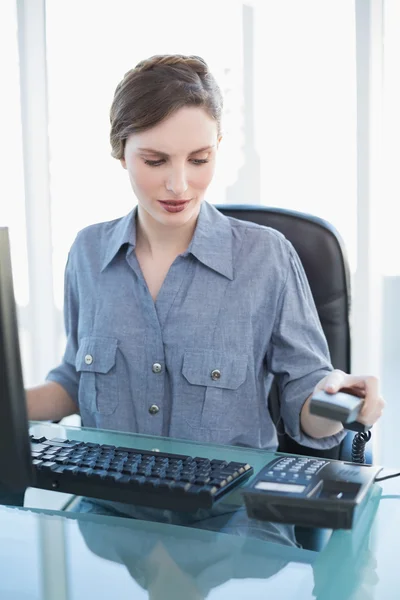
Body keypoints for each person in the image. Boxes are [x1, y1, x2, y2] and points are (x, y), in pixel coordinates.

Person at [25, 54, 384, 526]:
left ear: (218, 146)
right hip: (108, 517)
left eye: (200, 159)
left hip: (234, 525)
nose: (179, 184)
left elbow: (306, 408)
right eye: (155, 161)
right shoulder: (89, 252)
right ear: (121, 152)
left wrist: (339, 402)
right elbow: (75, 381)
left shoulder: (267, 256)